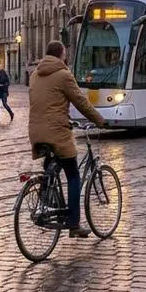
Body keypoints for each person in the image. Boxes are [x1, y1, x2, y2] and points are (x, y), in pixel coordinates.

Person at [29, 40, 107, 238]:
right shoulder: (63, 75)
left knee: (51, 164)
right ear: (61, 55)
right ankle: (74, 224)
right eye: (65, 54)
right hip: (56, 132)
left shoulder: (34, 75)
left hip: (36, 131)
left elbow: (47, 103)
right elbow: (80, 101)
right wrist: (99, 120)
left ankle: (47, 193)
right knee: (73, 175)